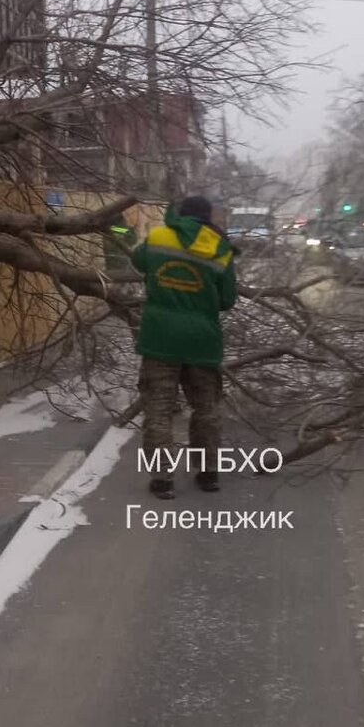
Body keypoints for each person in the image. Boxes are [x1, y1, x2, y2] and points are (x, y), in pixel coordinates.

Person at [131, 195, 238, 500]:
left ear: (181, 214)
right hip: (202, 342)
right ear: (208, 217)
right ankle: (207, 474)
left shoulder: (161, 235)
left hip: (160, 339)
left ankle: (163, 480)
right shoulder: (219, 246)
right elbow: (228, 299)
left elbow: (137, 261)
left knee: (159, 410)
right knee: (206, 409)